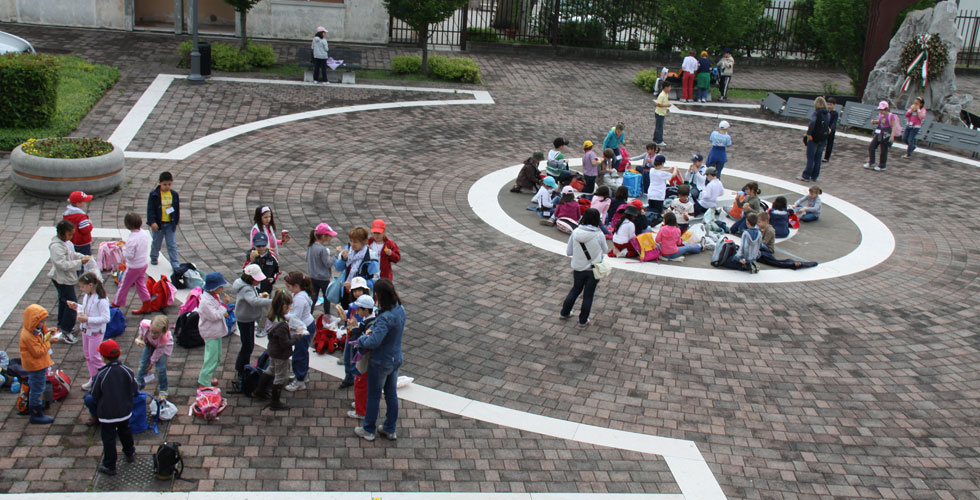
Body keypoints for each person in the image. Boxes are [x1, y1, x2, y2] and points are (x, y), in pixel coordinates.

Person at [354, 279, 405, 441]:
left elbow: (374, 342)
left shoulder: (385, 318)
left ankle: (369, 429)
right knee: (391, 394)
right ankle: (390, 428)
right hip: (395, 357)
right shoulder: (400, 310)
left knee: (374, 396)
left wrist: (362, 340)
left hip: (381, 361)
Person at [84, 339, 138, 475]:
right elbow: (135, 389)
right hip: (125, 411)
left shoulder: (101, 374)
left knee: (109, 439)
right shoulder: (127, 370)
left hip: (107, 415)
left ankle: (109, 465)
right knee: (125, 432)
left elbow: (95, 394)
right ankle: (129, 453)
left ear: (102, 357)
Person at [558, 208, 608, 328]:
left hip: (578, 268)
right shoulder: (599, 234)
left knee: (575, 290)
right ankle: (583, 320)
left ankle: (564, 313)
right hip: (593, 269)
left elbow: (569, 252)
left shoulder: (575, 232)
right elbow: (605, 250)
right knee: (588, 295)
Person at [254, 290, 300, 410]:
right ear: (284, 307)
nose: (290, 308)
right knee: (280, 376)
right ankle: (275, 402)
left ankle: (260, 390)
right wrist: (298, 336)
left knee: (270, 369)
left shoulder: (271, 316)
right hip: (281, 354)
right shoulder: (282, 325)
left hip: (272, 350)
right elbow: (285, 343)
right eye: (289, 306)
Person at [18, 304, 62, 424]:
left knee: (38, 387)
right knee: (37, 390)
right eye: (41, 322)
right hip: (36, 366)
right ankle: (35, 414)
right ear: (33, 321)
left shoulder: (33, 330)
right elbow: (38, 352)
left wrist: (48, 333)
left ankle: (37, 411)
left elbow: (41, 338)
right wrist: (50, 342)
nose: (43, 324)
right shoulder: (28, 336)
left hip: (38, 364)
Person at [48, 220, 89, 343]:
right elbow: (62, 264)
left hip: (65, 278)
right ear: (62, 233)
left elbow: (71, 254)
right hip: (62, 279)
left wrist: (81, 257)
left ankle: (62, 326)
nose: (72, 237)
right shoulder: (56, 247)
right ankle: (66, 330)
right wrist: (80, 263)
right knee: (72, 305)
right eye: (70, 234)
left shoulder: (66, 243)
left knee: (64, 302)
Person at [233, 264, 271, 387]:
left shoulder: (247, 286)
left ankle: (243, 366)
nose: (259, 280)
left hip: (246, 318)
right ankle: (241, 368)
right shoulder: (247, 289)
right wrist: (272, 301)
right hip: (245, 319)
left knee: (248, 345)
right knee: (247, 346)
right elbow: (254, 302)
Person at [71, 272, 110, 392]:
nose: (81, 289)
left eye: (82, 287)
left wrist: (88, 319)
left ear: (90, 285)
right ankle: (94, 378)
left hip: (95, 332)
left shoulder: (101, 300)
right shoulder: (87, 296)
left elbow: (106, 318)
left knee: (95, 357)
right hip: (85, 331)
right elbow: (85, 309)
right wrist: (76, 307)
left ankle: (107, 377)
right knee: (88, 356)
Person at [345, 294, 376, 421]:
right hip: (365, 359)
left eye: (358, 309)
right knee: (363, 384)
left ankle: (361, 411)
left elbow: (360, 341)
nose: (356, 312)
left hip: (364, 360)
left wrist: (354, 328)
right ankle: (361, 404)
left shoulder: (370, 325)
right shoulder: (370, 320)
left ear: (366, 310)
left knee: (360, 384)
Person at [114, 213, 153, 315]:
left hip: (133, 266)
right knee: (140, 285)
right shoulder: (144, 233)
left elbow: (129, 255)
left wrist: (122, 247)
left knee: (123, 286)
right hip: (143, 264)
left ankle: (115, 305)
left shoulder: (132, 238)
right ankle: (147, 304)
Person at [338, 277, 372, 390]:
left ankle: (355, 379)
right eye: (355, 290)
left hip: (357, 338)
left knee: (355, 360)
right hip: (350, 335)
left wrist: (355, 325)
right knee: (347, 358)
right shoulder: (353, 304)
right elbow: (350, 314)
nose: (357, 293)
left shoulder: (366, 307)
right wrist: (345, 314)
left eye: (360, 290)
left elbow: (364, 325)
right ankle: (349, 378)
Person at [283, 271, 314, 392]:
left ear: (296, 286)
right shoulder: (301, 294)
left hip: (302, 328)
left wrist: (282, 315)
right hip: (306, 325)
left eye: (289, 286)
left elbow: (296, 317)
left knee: (299, 354)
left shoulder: (300, 299)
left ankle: (300, 381)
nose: (287, 289)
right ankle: (302, 375)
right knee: (302, 352)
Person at [197, 272, 230, 388]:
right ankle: (204, 381)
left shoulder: (213, 296)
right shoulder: (205, 302)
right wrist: (224, 305)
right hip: (210, 332)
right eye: (221, 287)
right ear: (214, 288)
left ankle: (210, 375)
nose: (222, 289)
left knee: (217, 357)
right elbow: (214, 316)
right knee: (211, 358)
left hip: (215, 332)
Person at [335, 226, 381, 306]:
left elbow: (375, 281)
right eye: (351, 241)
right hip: (346, 293)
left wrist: (354, 284)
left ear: (364, 242)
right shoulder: (348, 250)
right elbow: (338, 267)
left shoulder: (370, 257)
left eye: (355, 242)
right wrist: (343, 259)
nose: (352, 244)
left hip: (362, 298)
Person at [147, 171, 181, 269]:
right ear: (159, 183)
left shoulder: (174, 194)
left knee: (172, 244)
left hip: (170, 224)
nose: (167, 186)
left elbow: (176, 208)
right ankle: (154, 256)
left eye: (169, 184)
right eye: (164, 184)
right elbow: (150, 209)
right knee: (156, 243)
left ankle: (175, 262)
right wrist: (152, 221)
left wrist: (176, 221)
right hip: (158, 224)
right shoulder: (154, 195)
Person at [134, 315, 172, 400]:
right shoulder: (145, 325)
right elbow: (142, 327)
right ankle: (139, 384)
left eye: (156, 333)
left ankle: (163, 389)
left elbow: (159, 351)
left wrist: (151, 363)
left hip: (163, 348)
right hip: (150, 344)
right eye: (151, 331)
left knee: (160, 368)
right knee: (143, 364)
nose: (152, 334)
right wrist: (140, 336)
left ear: (163, 332)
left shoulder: (164, 339)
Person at [307, 222, 338, 315]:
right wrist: (336, 254)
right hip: (323, 279)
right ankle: (327, 316)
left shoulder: (310, 246)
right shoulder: (322, 249)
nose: (331, 238)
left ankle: (309, 315)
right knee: (326, 298)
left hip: (313, 276)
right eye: (330, 236)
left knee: (313, 298)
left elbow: (306, 259)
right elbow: (328, 264)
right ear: (324, 236)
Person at [864, 100, 900, 172]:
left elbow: (894, 126)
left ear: (886, 109)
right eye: (880, 109)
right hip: (880, 132)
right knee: (872, 146)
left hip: (887, 134)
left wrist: (892, 136)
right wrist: (875, 121)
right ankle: (872, 162)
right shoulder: (881, 115)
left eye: (882, 109)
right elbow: (881, 122)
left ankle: (882, 165)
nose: (881, 111)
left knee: (883, 150)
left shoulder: (891, 116)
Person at [801, 96, 830, 182]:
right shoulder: (827, 113)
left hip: (814, 138)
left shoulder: (816, 113)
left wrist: (809, 133)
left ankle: (806, 175)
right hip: (823, 138)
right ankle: (815, 176)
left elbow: (812, 123)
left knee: (811, 157)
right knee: (818, 157)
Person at [63, 190, 94, 257]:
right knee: (85, 259)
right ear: (78, 204)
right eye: (84, 201)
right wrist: (90, 224)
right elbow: (85, 230)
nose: (86, 203)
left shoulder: (67, 214)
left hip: (71, 241)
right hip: (82, 243)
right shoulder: (81, 216)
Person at [653, 82, 671, 147]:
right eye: (669, 87)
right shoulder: (662, 95)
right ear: (666, 87)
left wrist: (666, 109)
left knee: (658, 127)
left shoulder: (666, 94)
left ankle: (655, 139)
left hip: (662, 112)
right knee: (659, 128)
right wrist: (667, 105)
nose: (670, 88)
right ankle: (659, 140)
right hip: (659, 113)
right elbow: (658, 104)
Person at [823, 98, 839, 162]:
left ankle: (826, 157)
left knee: (829, 144)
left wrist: (831, 129)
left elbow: (834, 122)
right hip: (825, 129)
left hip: (831, 130)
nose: (829, 106)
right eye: (828, 104)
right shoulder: (826, 112)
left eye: (830, 104)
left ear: (834, 105)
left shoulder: (835, 113)